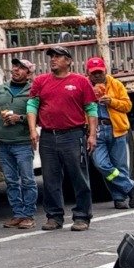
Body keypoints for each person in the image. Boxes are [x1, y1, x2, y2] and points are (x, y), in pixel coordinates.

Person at [27, 46, 98, 231]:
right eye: (52, 56)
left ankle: (82, 216)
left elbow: (91, 109)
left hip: (73, 135)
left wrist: (92, 135)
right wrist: (33, 130)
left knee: (79, 177)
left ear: (68, 61)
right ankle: (54, 216)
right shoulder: (41, 81)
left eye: (58, 56)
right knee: (50, 178)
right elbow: (32, 105)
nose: (53, 59)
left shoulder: (81, 82)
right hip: (48, 136)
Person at [0, 57, 38, 229]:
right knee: (11, 181)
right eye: (14, 67)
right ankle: (18, 214)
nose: (15, 70)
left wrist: (20, 118)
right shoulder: (1, 89)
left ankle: (28, 215)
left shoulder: (32, 91)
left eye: (21, 68)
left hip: (23, 143)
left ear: (28, 73)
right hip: (4, 143)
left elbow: (39, 116)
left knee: (27, 180)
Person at [87, 55, 134, 209]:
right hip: (96, 131)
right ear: (88, 73)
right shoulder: (85, 87)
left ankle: (119, 198)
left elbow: (127, 106)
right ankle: (130, 186)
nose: (97, 75)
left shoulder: (116, 84)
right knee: (101, 164)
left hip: (116, 129)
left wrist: (111, 101)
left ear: (105, 71)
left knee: (120, 166)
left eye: (100, 72)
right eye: (94, 73)